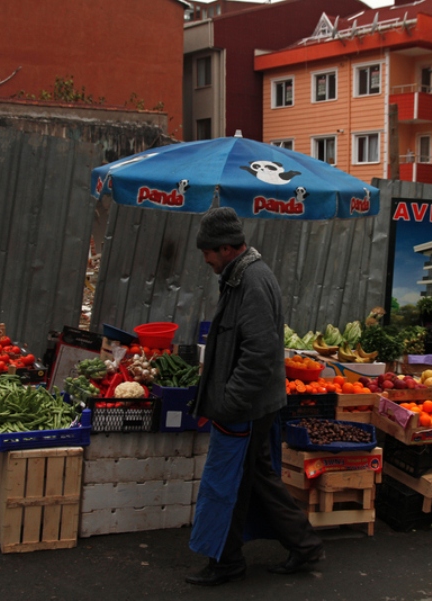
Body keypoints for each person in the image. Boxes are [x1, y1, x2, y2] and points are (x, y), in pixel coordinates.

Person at [186, 207, 324, 586]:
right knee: (256, 477)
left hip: (245, 408)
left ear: (227, 248)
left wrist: (230, 402)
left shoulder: (251, 281)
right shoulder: (239, 276)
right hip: (249, 405)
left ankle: (227, 562)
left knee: (226, 482)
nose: (206, 259)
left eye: (209, 252)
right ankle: (304, 544)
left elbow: (260, 353)